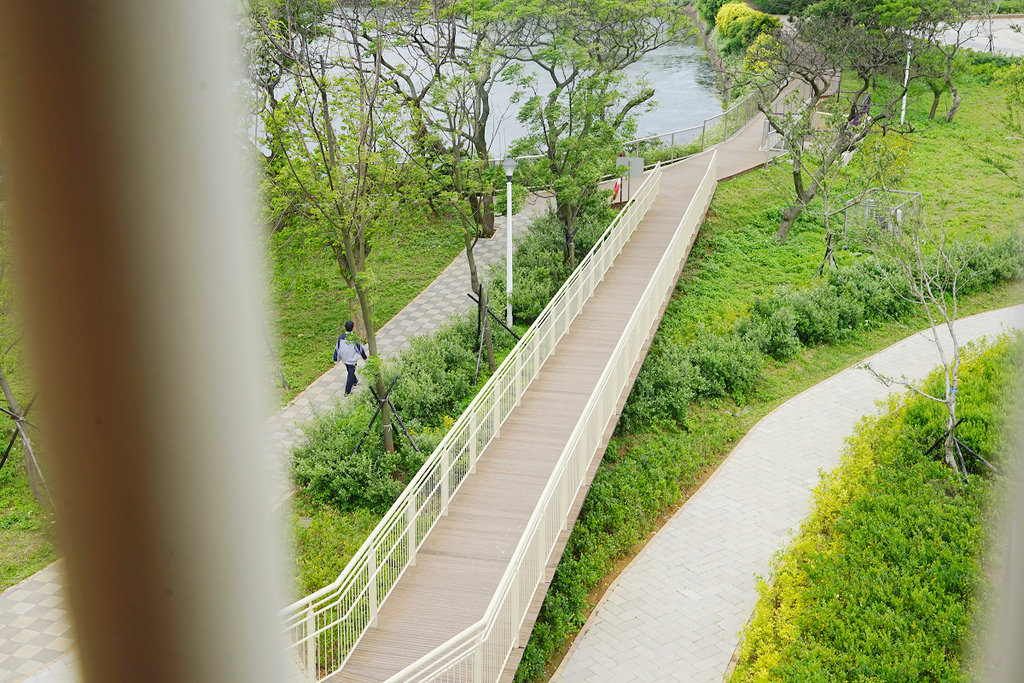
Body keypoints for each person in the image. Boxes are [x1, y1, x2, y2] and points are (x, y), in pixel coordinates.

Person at [333, 320, 367, 396]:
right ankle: (347, 392)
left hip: (344, 359)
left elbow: (337, 348)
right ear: (352, 328)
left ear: (345, 328)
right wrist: (365, 358)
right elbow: (360, 349)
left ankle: (355, 381)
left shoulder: (341, 338)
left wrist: (336, 359)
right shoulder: (355, 338)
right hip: (352, 359)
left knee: (350, 371)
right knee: (350, 374)